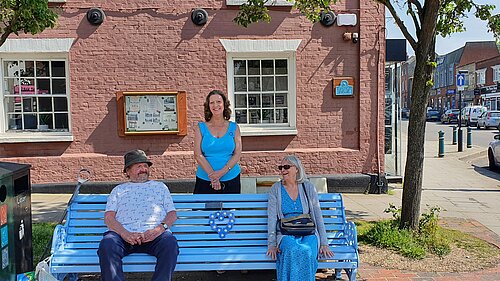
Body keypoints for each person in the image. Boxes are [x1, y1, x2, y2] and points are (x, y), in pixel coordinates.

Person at [98, 149, 179, 281]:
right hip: (123, 236)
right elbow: (109, 217)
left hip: (154, 235)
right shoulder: (118, 190)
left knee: (170, 244)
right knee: (107, 245)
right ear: (127, 171)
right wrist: (124, 233)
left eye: (145, 166)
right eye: (138, 166)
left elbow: (172, 214)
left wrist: (159, 229)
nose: (143, 169)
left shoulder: (160, 187)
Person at [266, 155, 334, 281]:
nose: (283, 170)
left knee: (307, 251)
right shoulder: (276, 189)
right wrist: (272, 243)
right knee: (292, 249)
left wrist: (324, 243)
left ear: (297, 169)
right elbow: (272, 218)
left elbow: (318, 216)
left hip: (308, 232)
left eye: (286, 167)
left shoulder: (307, 187)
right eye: (281, 167)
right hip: (286, 233)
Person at [194, 90, 242, 194]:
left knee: (231, 210)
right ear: (208, 106)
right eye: (212, 102)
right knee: (203, 210)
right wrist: (213, 175)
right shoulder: (200, 128)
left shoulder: (234, 127)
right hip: (204, 179)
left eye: (218, 102)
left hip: (231, 178)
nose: (215, 105)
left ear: (224, 104)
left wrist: (221, 173)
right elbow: (198, 155)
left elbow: (237, 154)